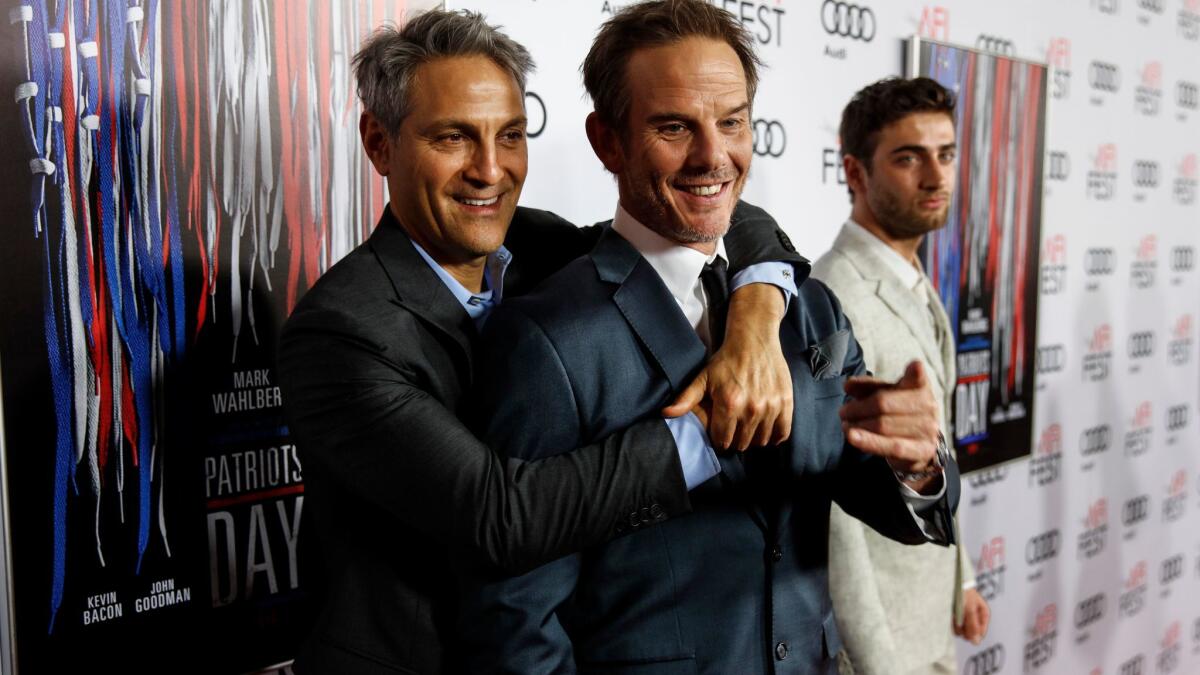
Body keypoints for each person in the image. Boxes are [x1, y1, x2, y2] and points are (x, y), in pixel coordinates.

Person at [276, 9, 806, 674]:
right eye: (453, 138)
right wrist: (713, 425)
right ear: (379, 144)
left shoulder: (538, 243)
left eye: (511, 135)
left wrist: (756, 320)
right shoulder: (340, 332)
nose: (491, 169)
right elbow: (501, 515)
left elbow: (714, 212)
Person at [458, 3, 959, 673]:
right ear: (607, 140)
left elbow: (896, 506)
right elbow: (514, 618)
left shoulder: (808, 308)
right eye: (674, 127)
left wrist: (917, 462)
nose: (713, 155)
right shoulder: (545, 337)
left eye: (732, 122)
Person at [811, 77, 991, 675]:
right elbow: (832, 514)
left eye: (945, 154)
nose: (936, 177)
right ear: (856, 174)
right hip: (882, 644)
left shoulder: (909, 274)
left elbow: (927, 450)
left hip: (926, 615)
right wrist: (875, 661)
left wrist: (959, 580)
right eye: (908, 158)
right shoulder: (835, 296)